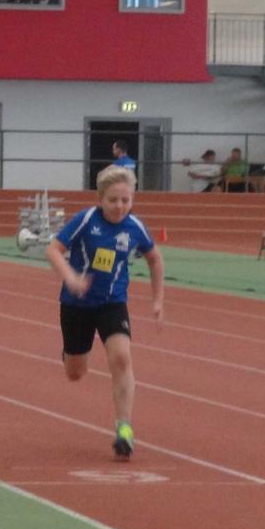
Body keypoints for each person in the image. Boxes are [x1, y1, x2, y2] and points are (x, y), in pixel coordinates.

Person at [45, 165, 164, 459]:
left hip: (113, 302)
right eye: (113, 200)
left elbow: (154, 259)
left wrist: (158, 299)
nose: (119, 206)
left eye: (126, 200)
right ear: (100, 199)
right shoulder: (86, 220)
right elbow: (53, 250)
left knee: (122, 358)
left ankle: (124, 429)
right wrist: (71, 278)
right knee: (76, 372)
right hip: (77, 304)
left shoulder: (134, 226)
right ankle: (70, 354)